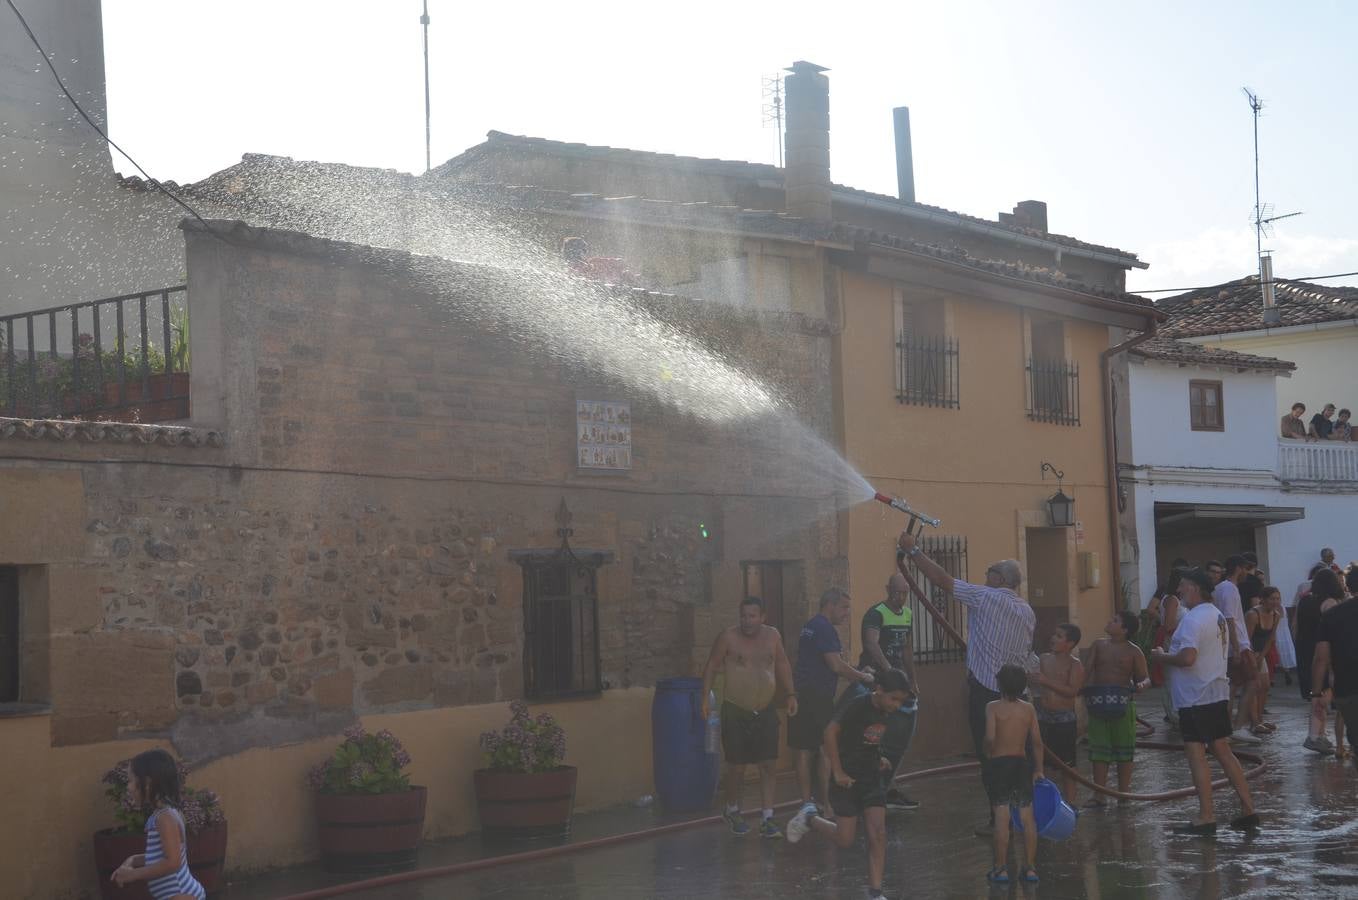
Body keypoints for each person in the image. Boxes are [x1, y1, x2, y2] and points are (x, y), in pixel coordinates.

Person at [897, 530, 1035, 838]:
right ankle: (1021, 815)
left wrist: (914, 551)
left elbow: (943, 581)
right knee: (1019, 754)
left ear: (1000, 578)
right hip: (1019, 692)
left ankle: (998, 819)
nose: (985, 576)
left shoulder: (985, 596)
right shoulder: (1026, 610)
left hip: (987, 691)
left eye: (989, 572)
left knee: (991, 754)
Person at [785, 669, 915, 900]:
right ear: (879, 690)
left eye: (901, 701)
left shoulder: (886, 710)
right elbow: (830, 732)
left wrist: (879, 756)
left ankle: (876, 892)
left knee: (879, 832)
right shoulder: (858, 705)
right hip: (846, 779)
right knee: (845, 839)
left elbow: (867, 738)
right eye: (893, 698)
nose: (896, 705)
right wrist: (837, 771)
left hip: (871, 778)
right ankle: (810, 818)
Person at [1151, 568, 1260, 834]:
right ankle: (1248, 808)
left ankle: (1206, 815)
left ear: (1196, 589)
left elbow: (1188, 658)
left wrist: (1161, 656)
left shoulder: (1193, 619)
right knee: (1223, 751)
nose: (1179, 591)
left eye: (1184, 587)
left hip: (1195, 696)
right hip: (1215, 691)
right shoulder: (1216, 614)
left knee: (1197, 755)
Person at [701, 596, 797, 837]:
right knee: (737, 767)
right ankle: (732, 809)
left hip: (765, 709)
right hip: (735, 708)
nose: (747, 621)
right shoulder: (728, 637)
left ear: (762, 617)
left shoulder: (773, 636)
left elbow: (783, 663)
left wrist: (791, 694)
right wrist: (704, 698)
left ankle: (767, 817)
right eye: (743, 615)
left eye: (752, 616)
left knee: (768, 765)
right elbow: (712, 665)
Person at [789, 588, 873, 816]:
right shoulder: (825, 628)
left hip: (804, 694)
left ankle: (807, 804)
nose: (847, 613)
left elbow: (830, 662)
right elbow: (835, 665)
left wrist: (855, 670)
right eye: (844, 607)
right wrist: (863, 676)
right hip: (817, 698)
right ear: (830, 605)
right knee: (825, 748)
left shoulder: (811, 626)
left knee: (804, 751)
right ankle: (826, 806)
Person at [854, 572, 921, 811]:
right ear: (887, 589)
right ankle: (868, 788)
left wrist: (912, 679)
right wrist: (890, 672)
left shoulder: (908, 614)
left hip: (899, 681)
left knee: (898, 738)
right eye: (896, 592)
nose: (900, 597)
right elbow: (871, 645)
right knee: (875, 734)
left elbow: (907, 647)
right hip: (879, 679)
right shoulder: (876, 613)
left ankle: (887, 786)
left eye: (904, 593)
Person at [109, 749, 208, 899]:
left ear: (148, 783)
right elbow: (161, 855)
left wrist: (133, 875)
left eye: (130, 780)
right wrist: (132, 860)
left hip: (181, 895)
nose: (128, 787)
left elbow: (172, 862)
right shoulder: (163, 814)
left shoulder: (165, 818)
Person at [1080, 611, 1151, 805]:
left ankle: (1123, 793)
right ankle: (1099, 794)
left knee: (1124, 750)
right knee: (1098, 749)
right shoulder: (1098, 645)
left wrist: (1142, 685)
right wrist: (1078, 689)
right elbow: (1086, 671)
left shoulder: (1134, 651)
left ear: (1125, 629)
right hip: (1098, 701)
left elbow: (1145, 677)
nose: (1109, 622)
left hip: (1123, 703)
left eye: (1115, 621)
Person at [984, 664, 1045, 885]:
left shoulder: (992, 707)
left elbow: (990, 738)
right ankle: (1030, 869)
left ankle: (1000, 869)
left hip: (1000, 765)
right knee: (1028, 818)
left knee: (1002, 817)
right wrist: (1039, 769)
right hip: (1022, 764)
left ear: (999, 684)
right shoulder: (1028, 709)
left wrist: (987, 753)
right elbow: (1037, 742)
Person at [1029, 623, 1085, 805]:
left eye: (1059, 636)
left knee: (1067, 765)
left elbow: (1072, 691)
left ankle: (1070, 804)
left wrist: (1046, 681)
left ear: (1070, 644)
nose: (1053, 638)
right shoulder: (1044, 658)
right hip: (1043, 717)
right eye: (1054, 634)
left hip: (1064, 719)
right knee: (1043, 764)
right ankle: (1049, 803)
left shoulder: (1074, 665)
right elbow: (1035, 683)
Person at [1212, 556, 1260, 746]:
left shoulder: (1222, 588)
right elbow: (1230, 619)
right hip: (1237, 643)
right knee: (1252, 681)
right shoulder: (1229, 589)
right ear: (1239, 568)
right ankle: (1238, 727)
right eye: (1246, 569)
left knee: (1232, 686)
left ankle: (1227, 728)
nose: (1247, 573)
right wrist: (1238, 648)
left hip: (1230, 644)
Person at [1295, 568, 1343, 755]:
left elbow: (1297, 627)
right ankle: (1315, 736)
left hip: (1305, 651)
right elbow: (1334, 632)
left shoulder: (1305, 601)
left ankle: (1317, 734)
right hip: (1322, 650)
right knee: (1324, 693)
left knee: (1316, 693)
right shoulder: (1329, 603)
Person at [1311, 579, 1358, 763]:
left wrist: (1316, 694)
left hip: (1347, 687)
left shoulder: (1332, 615)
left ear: (1348, 587)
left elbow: (1321, 658)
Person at [1245, 584, 1282, 733]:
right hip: (1248, 651)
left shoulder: (1276, 615)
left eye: (1278, 599)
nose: (1275, 602)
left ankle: (1259, 718)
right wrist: (1252, 656)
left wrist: (1262, 656)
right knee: (1254, 686)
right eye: (1272, 599)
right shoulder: (1253, 614)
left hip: (1261, 652)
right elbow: (1246, 638)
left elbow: (1271, 638)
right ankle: (1253, 722)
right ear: (1263, 599)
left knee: (1265, 685)